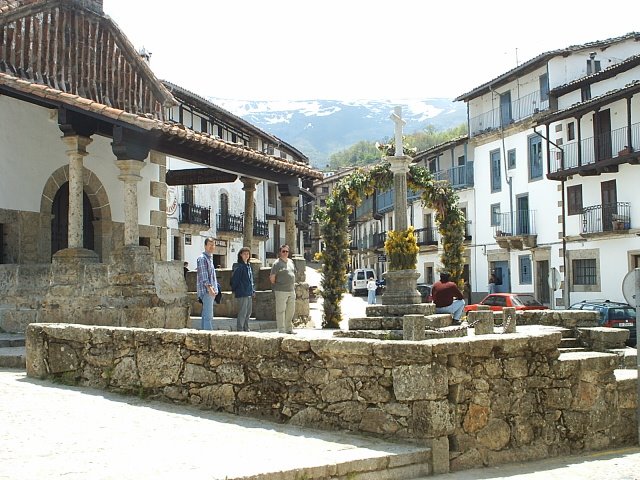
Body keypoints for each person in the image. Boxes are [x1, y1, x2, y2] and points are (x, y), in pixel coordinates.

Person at [270, 244, 296, 334]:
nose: (285, 253)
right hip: (281, 290)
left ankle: (289, 329)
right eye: (283, 251)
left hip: (291, 290)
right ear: (280, 252)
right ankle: (281, 329)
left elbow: (293, 273)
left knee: (290, 311)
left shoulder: (291, 262)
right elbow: (272, 278)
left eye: (287, 251)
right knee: (280, 311)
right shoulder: (276, 264)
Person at [196, 237, 218, 330]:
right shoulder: (202, 258)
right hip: (206, 291)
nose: (212, 247)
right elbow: (204, 276)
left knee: (205, 315)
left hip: (210, 290)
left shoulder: (210, 259)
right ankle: (209, 335)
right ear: (205, 246)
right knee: (208, 316)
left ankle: (203, 335)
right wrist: (210, 289)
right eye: (210, 244)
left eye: (213, 245)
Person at [230, 246, 255, 332]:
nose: (246, 255)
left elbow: (251, 280)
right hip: (242, 292)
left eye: (247, 254)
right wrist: (236, 290)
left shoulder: (248, 266)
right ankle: (240, 328)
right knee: (242, 312)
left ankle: (246, 327)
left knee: (248, 312)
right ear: (240, 255)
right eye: (244, 254)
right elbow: (235, 280)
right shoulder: (239, 267)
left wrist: (253, 290)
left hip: (249, 293)